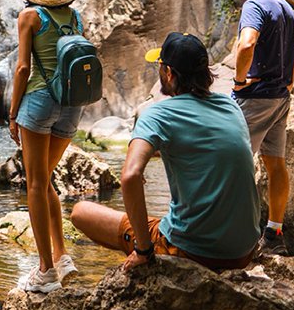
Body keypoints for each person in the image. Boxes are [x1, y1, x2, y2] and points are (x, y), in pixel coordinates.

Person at [71, 32, 260, 271]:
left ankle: (142, 257)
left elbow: (129, 176)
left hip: (195, 252)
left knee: (81, 211)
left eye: (160, 67)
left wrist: (143, 249)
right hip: (244, 250)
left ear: (169, 73)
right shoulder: (230, 106)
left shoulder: (158, 113)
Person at [9, 0, 86, 293]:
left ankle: (45, 272)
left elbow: (23, 68)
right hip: (71, 105)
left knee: (36, 184)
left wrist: (12, 114)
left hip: (39, 103)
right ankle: (62, 256)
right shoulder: (76, 17)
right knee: (46, 179)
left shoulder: (30, 17)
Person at [232, 0, 294, 254]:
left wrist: (238, 81)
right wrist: (289, 83)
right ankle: (274, 234)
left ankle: (234, 235)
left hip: (255, 99)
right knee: (275, 164)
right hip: (281, 98)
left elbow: (247, 44)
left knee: (233, 164)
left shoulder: (254, 5)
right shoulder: (286, 8)